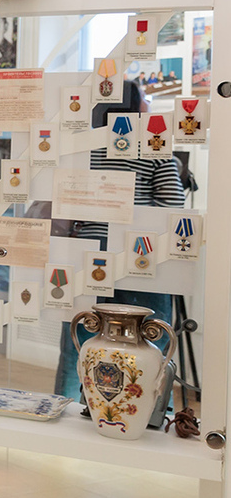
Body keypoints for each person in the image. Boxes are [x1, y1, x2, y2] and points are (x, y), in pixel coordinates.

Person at [54, 81, 184, 400]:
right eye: (144, 99)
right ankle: (148, 412)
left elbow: (65, 203)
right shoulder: (152, 148)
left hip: (86, 252)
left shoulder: (84, 148)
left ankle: (68, 406)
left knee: (79, 338)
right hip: (137, 254)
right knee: (151, 340)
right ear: (134, 107)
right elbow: (173, 207)